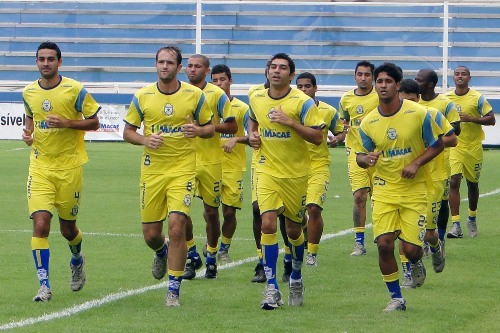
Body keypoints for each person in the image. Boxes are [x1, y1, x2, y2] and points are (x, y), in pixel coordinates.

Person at [123, 45, 214, 307]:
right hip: (152, 171)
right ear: (156, 65)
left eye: (170, 62)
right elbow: (127, 131)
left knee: (177, 227)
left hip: (183, 169)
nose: (165, 66)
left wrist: (197, 131)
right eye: (161, 62)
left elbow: (209, 128)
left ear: (179, 67)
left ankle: (173, 290)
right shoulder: (143, 96)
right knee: (151, 235)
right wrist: (144, 139)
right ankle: (161, 251)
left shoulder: (194, 95)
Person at [356, 62, 444, 312]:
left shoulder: (418, 114)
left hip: (414, 190)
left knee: (411, 250)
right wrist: (366, 159)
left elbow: (437, 145)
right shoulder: (368, 122)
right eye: (379, 81)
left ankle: (418, 260)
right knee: (384, 244)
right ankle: (396, 297)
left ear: (397, 84)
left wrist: (416, 163)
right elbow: (360, 156)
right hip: (384, 190)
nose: (382, 86)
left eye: (387, 81)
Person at [21, 41, 101, 302]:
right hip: (40, 166)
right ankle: (44, 285)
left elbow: (95, 122)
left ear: (59, 62)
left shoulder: (74, 89)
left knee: (68, 229)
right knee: (41, 224)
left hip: (69, 168)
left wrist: (68, 122)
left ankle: (77, 257)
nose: (46, 63)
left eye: (50, 59)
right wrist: (28, 134)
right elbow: (30, 118)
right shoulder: (29, 92)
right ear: (36, 62)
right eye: (41, 59)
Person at [248, 53, 324, 310]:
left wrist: (290, 122)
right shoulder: (256, 96)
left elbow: (317, 137)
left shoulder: (302, 102)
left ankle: (297, 276)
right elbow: (253, 118)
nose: (276, 71)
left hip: (296, 175)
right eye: (273, 67)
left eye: (283, 68)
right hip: (266, 170)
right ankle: (271, 288)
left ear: (291, 75)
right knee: (267, 222)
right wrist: (252, 135)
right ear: (267, 71)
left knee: (293, 230)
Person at [398, 78, 457, 286]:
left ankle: (435, 246)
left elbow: (453, 139)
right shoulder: (394, 119)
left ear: (419, 99)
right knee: (401, 231)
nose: (408, 104)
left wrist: (432, 142)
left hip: (432, 179)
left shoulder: (431, 115)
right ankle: (408, 271)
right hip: (404, 182)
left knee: (428, 232)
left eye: (412, 100)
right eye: (404, 100)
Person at [183, 54, 236, 279]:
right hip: (183, 160)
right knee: (179, 211)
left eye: (197, 66)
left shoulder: (217, 95)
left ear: (207, 71)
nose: (192, 70)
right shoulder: (179, 92)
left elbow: (232, 126)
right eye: (189, 66)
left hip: (210, 161)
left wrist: (206, 128)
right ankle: (192, 253)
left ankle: (212, 256)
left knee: (211, 213)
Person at [295, 72, 345, 266]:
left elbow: (340, 131)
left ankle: (312, 254)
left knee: (314, 208)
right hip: (293, 167)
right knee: (295, 213)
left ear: (315, 88)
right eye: (299, 86)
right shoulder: (290, 109)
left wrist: (336, 139)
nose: (303, 90)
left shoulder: (328, 111)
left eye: (307, 86)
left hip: (319, 165)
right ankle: (304, 230)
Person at [446, 66, 495, 238]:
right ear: (453, 78)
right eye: (457, 74)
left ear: (469, 78)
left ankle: (472, 218)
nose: (460, 76)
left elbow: (492, 119)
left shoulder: (477, 98)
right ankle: (456, 224)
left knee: (472, 184)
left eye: (463, 74)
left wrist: (472, 119)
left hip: (473, 147)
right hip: (455, 147)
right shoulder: (447, 98)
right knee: (454, 181)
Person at [415, 69, 461, 246]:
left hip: (442, 160)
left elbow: (456, 128)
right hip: (419, 158)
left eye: (420, 80)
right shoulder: (411, 105)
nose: (416, 82)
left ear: (430, 84)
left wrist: (433, 132)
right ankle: (422, 239)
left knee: (441, 201)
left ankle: (439, 238)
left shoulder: (444, 103)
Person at [339, 60, 379, 256]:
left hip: (380, 154)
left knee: (379, 199)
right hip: (355, 152)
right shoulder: (346, 99)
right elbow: (344, 119)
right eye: (360, 74)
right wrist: (342, 129)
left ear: (373, 77)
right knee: (359, 196)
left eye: (367, 75)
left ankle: (383, 235)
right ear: (355, 76)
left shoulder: (380, 95)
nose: (363, 78)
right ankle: (359, 241)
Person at [211, 64, 249, 264]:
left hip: (233, 166)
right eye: (214, 80)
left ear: (230, 81)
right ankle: (211, 248)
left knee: (229, 211)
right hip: (210, 164)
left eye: (222, 80)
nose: (218, 84)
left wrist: (236, 139)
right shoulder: (206, 106)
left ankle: (224, 248)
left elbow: (254, 137)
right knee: (210, 211)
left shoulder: (242, 108)